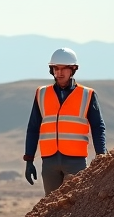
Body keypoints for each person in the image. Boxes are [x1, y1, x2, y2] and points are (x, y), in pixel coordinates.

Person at [24, 47, 105, 195]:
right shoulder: (41, 93)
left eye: (63, 69)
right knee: (51, 208)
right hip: (49, 162)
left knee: (77, 205)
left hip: (76, 162)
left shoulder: (87, 94)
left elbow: (98, 127)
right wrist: (29, 159)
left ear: (73, 69)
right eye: (55, 68)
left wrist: (101, 156)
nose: (59, 73)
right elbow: (33, 128)